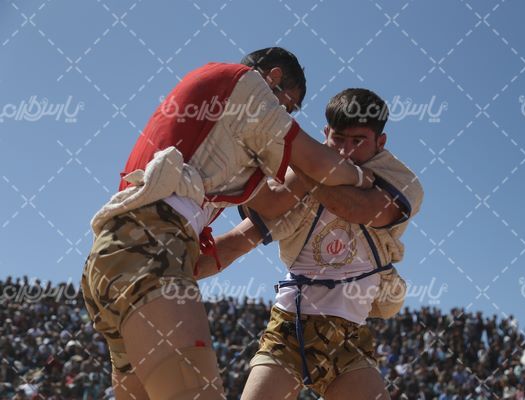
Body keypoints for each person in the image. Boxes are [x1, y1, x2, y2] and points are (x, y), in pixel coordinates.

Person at [80, 48, 373, 400]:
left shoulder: (220, 126)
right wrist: (365, 178)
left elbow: (274, 202)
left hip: (111, 258)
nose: (285, 117)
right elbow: (316, 162)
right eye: (288, 107)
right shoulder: (247, 85)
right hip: (152, 245)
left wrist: (307, 181)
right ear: (274, 78)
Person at [196, 88, 424, 399]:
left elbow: (360, 209)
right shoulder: (296, 178)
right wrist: (171, 270)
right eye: (338, 139)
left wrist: (306, 172)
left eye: (358, 141)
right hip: (290, 327)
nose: (345, 151)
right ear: (326, 132)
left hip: (349, 336)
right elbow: (237, 242)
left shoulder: (399, 180)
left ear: (380, 143)